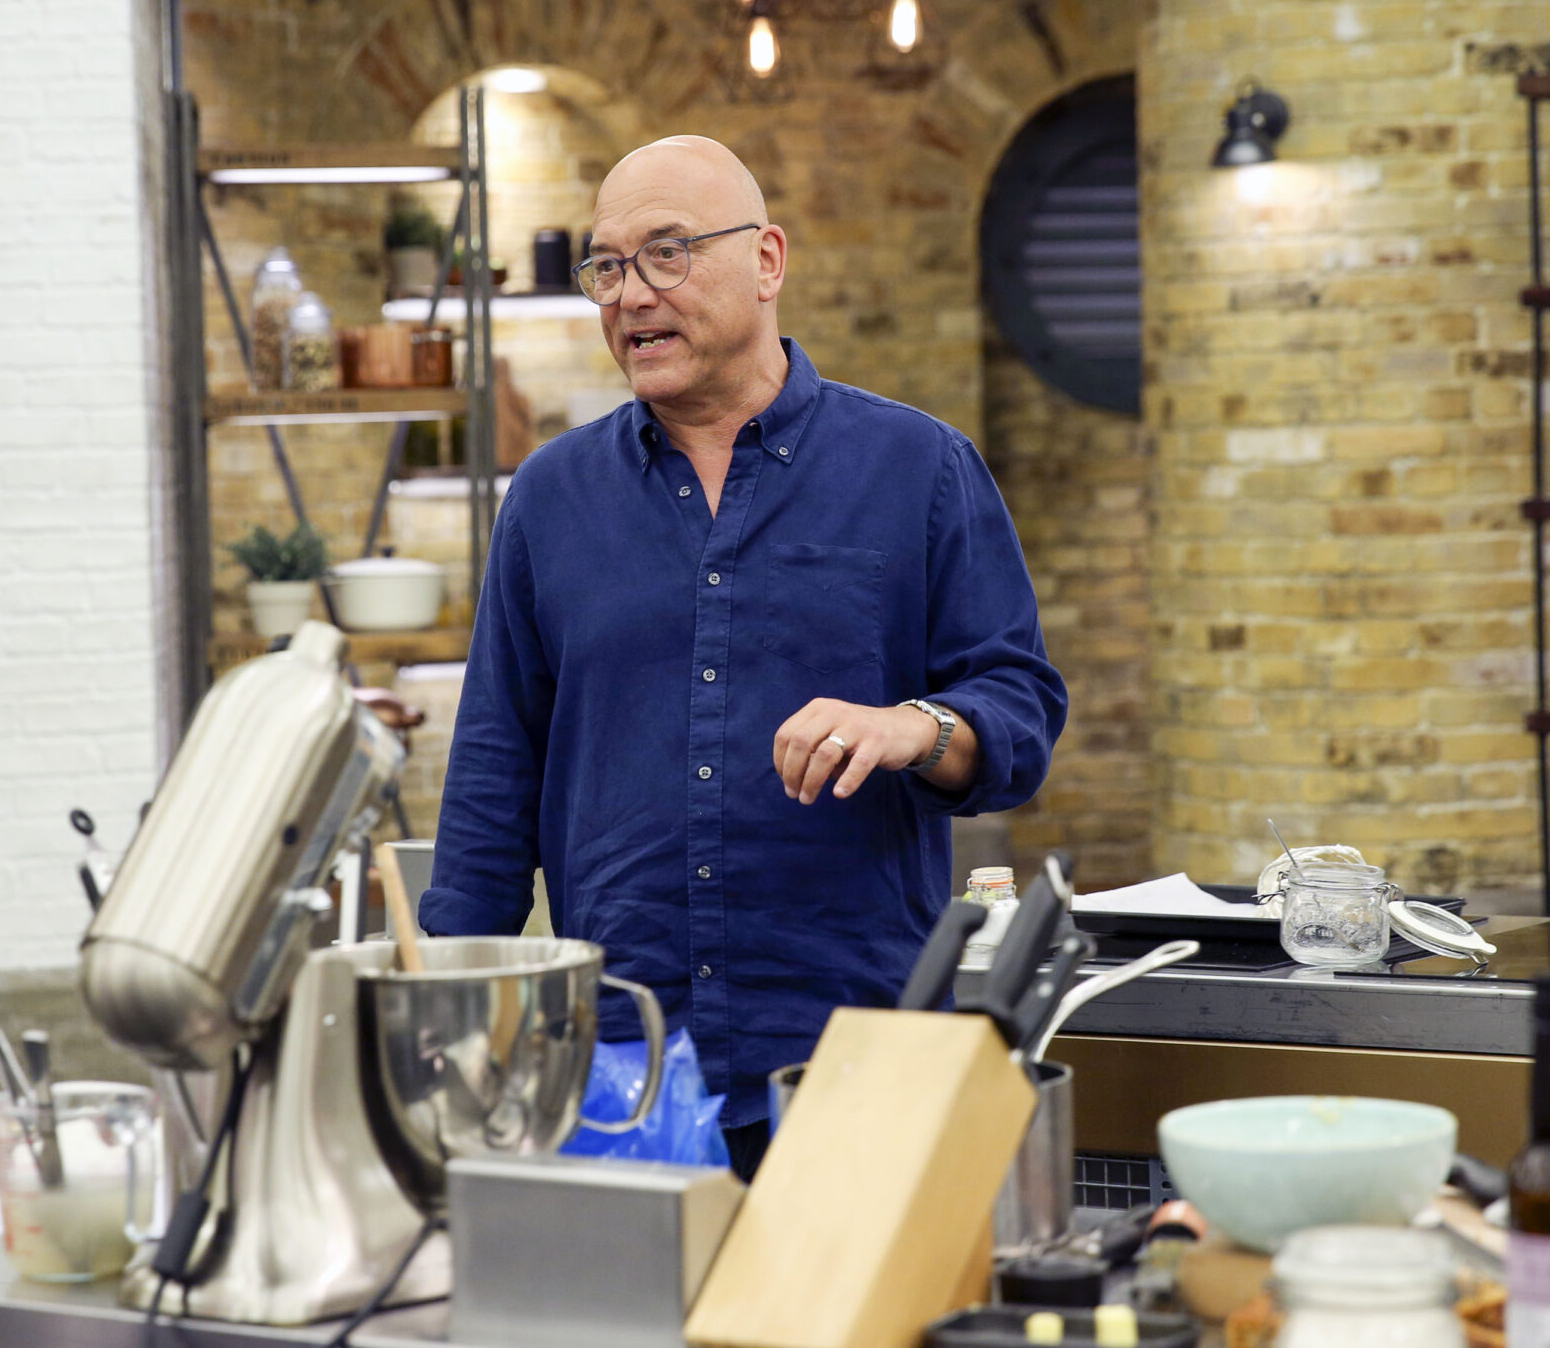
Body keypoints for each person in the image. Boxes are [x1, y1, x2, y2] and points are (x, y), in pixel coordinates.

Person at [417, 135, 1067, 1176]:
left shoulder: (920, 469)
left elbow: (1018, 713)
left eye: (667, 254)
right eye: (608, 266)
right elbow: (494, 778)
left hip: (851, 1057)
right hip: (622, 1071)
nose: (630, 295)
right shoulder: (549, 499)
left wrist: (912, 726)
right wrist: (446, 1032)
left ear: (766, 261)